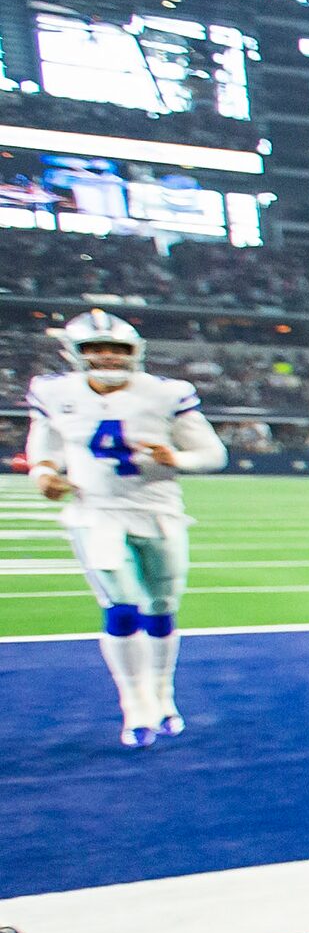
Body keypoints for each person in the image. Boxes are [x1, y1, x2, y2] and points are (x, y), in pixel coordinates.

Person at [22, 311, 226, 747]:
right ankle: (134, 704)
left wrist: (178, 459)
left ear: (135, 352)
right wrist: (43, 473)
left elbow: (212, 453)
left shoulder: (166, 394)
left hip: (157, 509)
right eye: (96, 349)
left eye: (117, 349)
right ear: (76, 353)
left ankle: (163, 695)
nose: (108, 357)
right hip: (95, 511)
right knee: (122, 604)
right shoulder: (53, 391)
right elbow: (45, 444)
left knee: (162, 604)